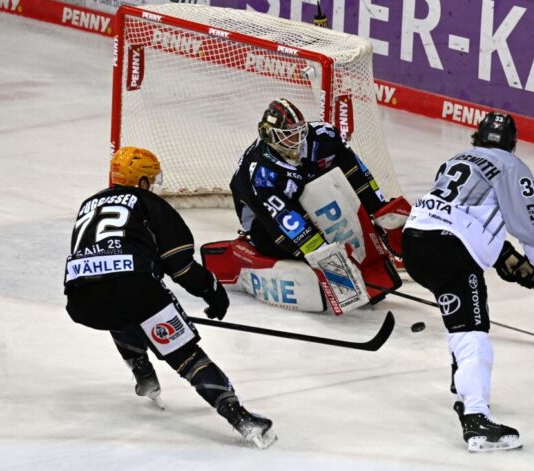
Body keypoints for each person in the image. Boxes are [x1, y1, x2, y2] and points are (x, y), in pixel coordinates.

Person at [63, 147, 276, 449]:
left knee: (114, 302)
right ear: (143, 182)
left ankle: (143, 373)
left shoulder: (88, 204)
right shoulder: (150, 203)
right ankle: (240, 418)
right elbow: (181, 266)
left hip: (80, 296)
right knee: (185, 354)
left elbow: (100, 259)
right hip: (136, 290)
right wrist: (211, 290)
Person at [401, 112, 534, 452]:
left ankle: (464, 386)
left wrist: (503, 256)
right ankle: (476, 420)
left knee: (462, 322)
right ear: (513, 143)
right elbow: (531, 226)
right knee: (472, 331)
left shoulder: (456, 160)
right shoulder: (511, 166)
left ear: (476, 138)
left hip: (415, 244)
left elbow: (466, 216)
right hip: (450, 250)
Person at [230, 97, 401, 261]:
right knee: (276, 242)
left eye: (300, 132)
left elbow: (357, 173)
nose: (298, 140)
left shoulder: (324, 136)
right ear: (270, 135)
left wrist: (380, 212)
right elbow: (284, 220)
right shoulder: (261, 172)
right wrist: (322, 254)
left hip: (303, 199)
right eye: (290, 135)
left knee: (329, 187)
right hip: (261, 219)